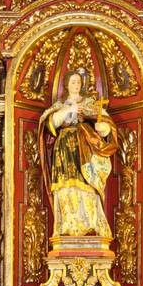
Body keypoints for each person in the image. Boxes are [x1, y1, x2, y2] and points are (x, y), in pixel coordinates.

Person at [38, 70, 118, 238]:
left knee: (87, 184)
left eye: (78, 82)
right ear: (66, 85)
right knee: (66, 184)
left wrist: (102, 128)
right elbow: (50, 122)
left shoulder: (90, 103)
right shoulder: (60, 104)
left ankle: (89, 223)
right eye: (73, 82)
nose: (76, 85)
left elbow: (106, 125)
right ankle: (68, 225)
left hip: (85, 147)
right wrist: (69, 110)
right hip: (65, 148)